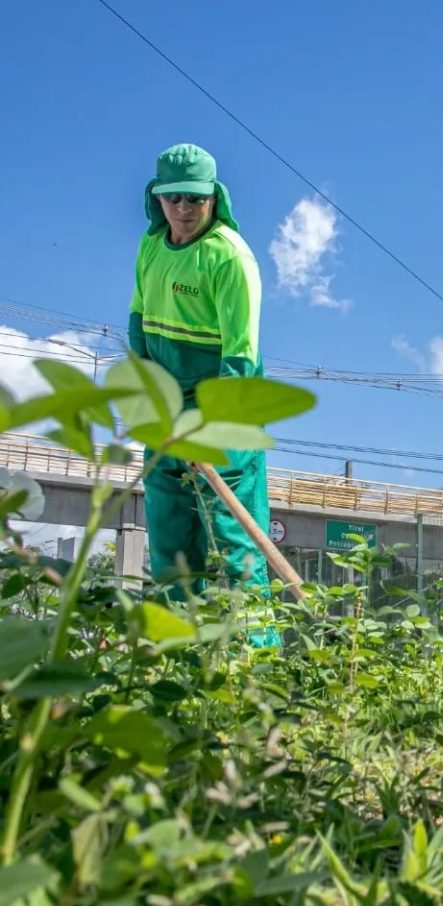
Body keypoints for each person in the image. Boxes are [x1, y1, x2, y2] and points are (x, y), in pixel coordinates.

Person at [128, 142, 277, 635]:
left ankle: (256, 662)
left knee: (235, 545)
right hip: (167, 408)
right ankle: (175, 659)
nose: (185, 210)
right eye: (174, 199)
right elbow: (138, 323)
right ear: (157, 199)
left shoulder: (230, 258)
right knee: (170, 538)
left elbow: (242, 355)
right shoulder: (151, 248)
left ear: (214, 198)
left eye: (195, 199)